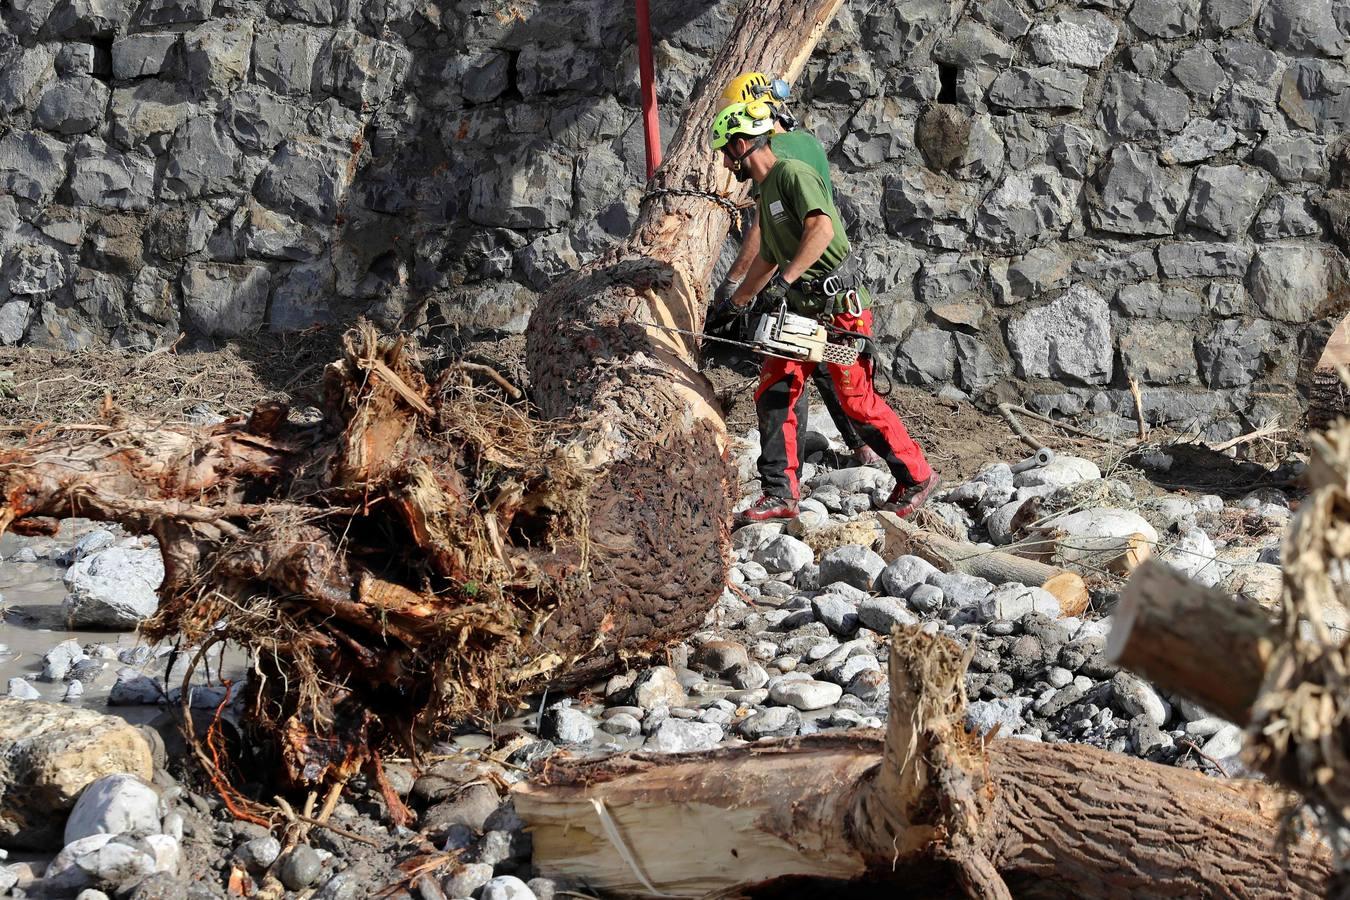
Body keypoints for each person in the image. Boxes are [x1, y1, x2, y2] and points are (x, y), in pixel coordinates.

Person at [710, 100, 938, 523]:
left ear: (741, 144)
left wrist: (784, 281)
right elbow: (769, 256)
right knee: (774, 390)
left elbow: (823, 229)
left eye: (726, 150)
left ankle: (917, 477)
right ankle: (780, 493)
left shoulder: (791, 174)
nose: (725, 161)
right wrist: (741, 301)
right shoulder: (765, 189)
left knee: (856, 400)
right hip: (799, 313)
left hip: (838, 312)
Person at [711, 72, 882, 468]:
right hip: (825, 282)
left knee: (792, 371)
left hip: (805, 283)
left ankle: (794, 471)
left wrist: (735, 289)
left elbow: (763, 235)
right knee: (831, 366)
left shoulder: (776, 153)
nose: (726, 160)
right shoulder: (806, 142)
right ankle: (864, 448)